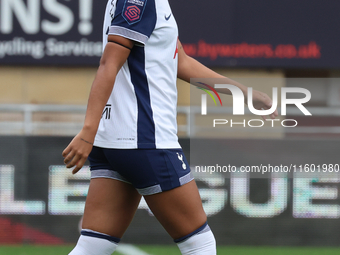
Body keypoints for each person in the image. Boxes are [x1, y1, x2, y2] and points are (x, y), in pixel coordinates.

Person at [62, 0, 278, 254]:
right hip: (145, 140)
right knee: (200, 243)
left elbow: (181, 62)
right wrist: (87, 132)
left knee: (93, 244)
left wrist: (243, 93)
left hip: (116, 141)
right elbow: (109, 63)